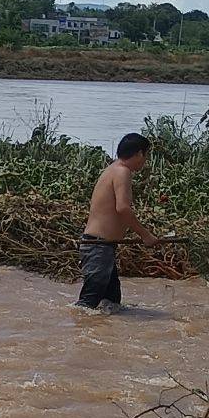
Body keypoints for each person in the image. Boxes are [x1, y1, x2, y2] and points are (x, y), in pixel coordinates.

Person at [77, 131, 161, 314]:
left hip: (103, 246)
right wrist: (145, 235)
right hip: (98, 246)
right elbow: (122, 208)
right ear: (139, 153)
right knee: (88, 304)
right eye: (145, 156)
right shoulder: (122, 172)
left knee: (112, 302)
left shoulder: (114, 169)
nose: (145, 161)